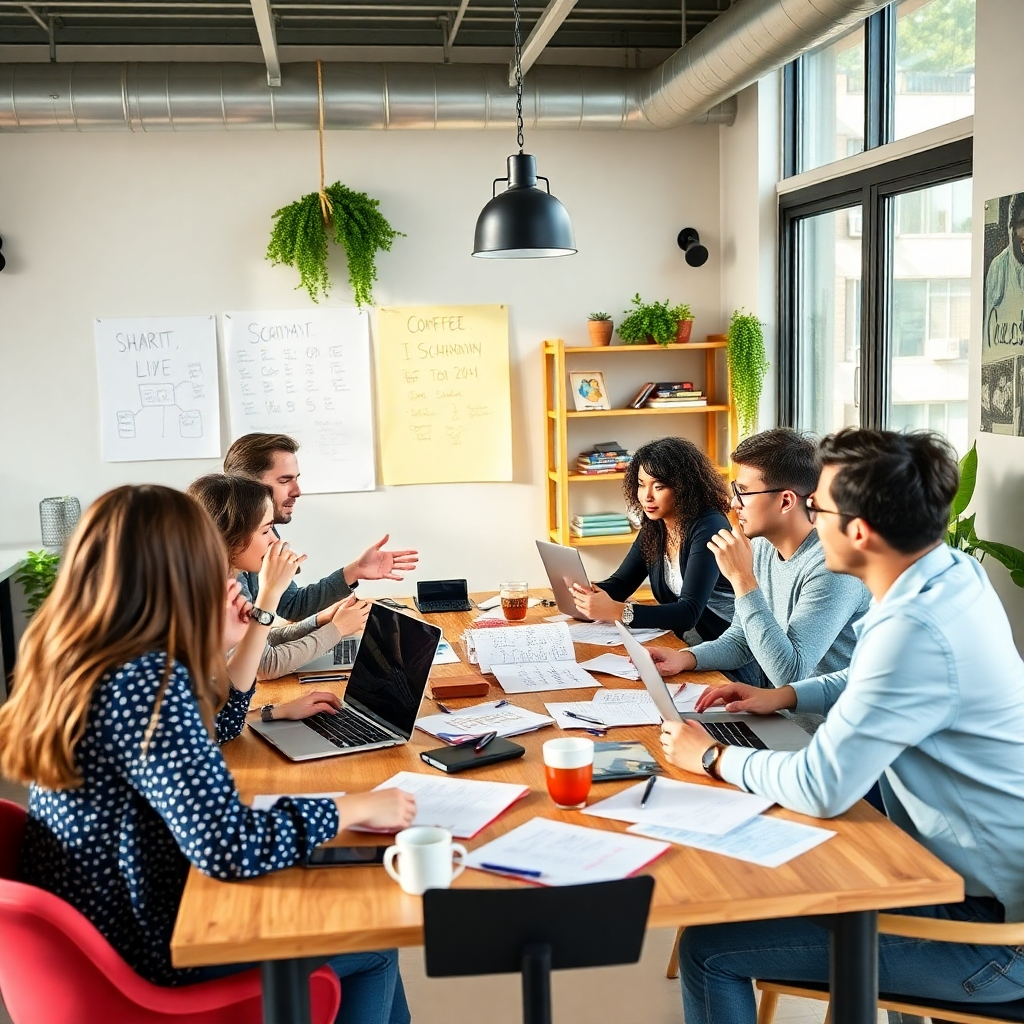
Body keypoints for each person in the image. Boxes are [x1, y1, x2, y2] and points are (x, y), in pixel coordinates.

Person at [0, 485, 416, 1024]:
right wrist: (350, 809)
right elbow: (225, 845)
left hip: (104, 926)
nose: (227, 578)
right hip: (150, 951)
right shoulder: (149, 684)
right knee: (377, 946)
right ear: (180, 574)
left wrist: (226, 636)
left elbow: (217, 726)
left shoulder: (87, 656)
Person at [660, 429, 1024, 1022]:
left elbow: (823, 787)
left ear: (858, 531)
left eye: (819, 507)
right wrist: (783, 695)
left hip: (988, 935)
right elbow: (866, 677)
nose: (808, 515)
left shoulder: (913, 627)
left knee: (710, 947)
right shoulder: (946, 576)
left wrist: (710, 757)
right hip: (957, 880)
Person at [646, 428, 869, 689]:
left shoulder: (833, 568)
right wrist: (685, 658)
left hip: (820, 728)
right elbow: (742, 640)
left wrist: (742, 580)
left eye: (743, 492)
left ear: (786, 502)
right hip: (776, 713)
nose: (733, 503)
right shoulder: (763, 546)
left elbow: (790, 674)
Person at [188, 473, 370, 680]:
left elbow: (256, 641)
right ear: (229, 534)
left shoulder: (225, 576)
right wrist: (338, 629)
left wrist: (318, 622)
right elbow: (264, 666)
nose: (275, 540)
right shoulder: (218, 590)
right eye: (266, 531)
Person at [224, 432, 418, 619]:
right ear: (248, 487)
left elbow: (290, 605)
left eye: (296, 478)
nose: (297, 491)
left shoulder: (264, 533)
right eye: (285, 480)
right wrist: (333, 629)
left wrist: (355, 570)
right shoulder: (224, 556)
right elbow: (256, 649)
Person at [570, 436, 738, 644]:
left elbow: (689, 612)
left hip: (725, 645)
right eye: (641, 484)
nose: (646, 496)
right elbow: (621, 583)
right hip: (685, 641)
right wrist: (586, 594)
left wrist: (618, 611)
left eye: (658, 487)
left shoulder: (710, 526)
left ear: (684, 487)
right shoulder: (656, 525)